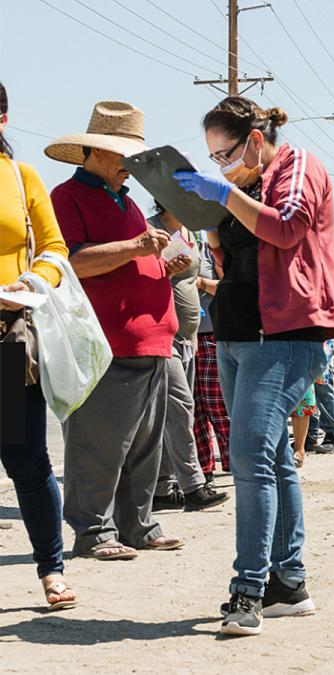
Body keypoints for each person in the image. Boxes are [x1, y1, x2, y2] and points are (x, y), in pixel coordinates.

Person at [174, 96, 334, 636]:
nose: (220, 166)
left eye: (224, 154)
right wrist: (212, 224)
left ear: (253, 139)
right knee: (272, 461)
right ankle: (288, 585)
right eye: (212, 160)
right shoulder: (245, 184)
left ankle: (248, 591)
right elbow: (236, 256)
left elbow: (288, 228)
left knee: (248, 462)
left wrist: (225, 194)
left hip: (284, 333)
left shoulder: (298, 167)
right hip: (238, 330)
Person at [47, 101, 184, 562]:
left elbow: (130, 257)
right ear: (100, 153)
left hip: (151, 341)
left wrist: (163, 263)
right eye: (125, 156)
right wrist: (137, 246)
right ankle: (92, 532)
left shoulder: (124, 201)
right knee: (99, 443)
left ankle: (138, 526)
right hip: (107, 342)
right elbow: (71, 261)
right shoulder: (67, 198)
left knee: (145, 445)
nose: (132, 167)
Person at [0, 81, 77, 610]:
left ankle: (51, 568)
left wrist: (34, 282)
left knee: (26, 461)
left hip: (5, 342)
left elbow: (54, 247)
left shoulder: (20, 176)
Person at [148, 205, 229, 511]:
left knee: (174, 412)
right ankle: (193, 486)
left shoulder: (189, 232)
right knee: (181, 410)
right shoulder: (151, 229)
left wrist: (192, 335)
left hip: (187, 338)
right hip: (163, 334)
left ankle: (162, 489)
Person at [193, 230, 231, 481]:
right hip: (181, 339)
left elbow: (229, 288)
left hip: (210, 337)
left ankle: (235, 462)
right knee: (193, 412)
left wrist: (200, 283)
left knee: (218, 407)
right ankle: (203, 468)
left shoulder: (208, 250)